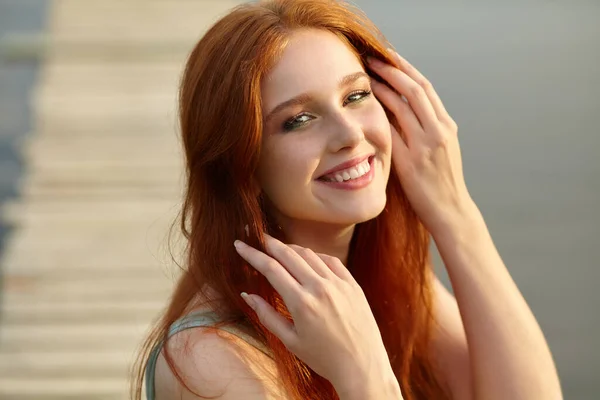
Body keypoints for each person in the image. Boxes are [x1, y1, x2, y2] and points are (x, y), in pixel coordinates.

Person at [131, 0, 563, 399]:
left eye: (356, 96)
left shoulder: (372, 275)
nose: (350, 134)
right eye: (298, 120)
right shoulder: (208, 359)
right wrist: (366, 377)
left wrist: (455, 216)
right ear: (241, 165)